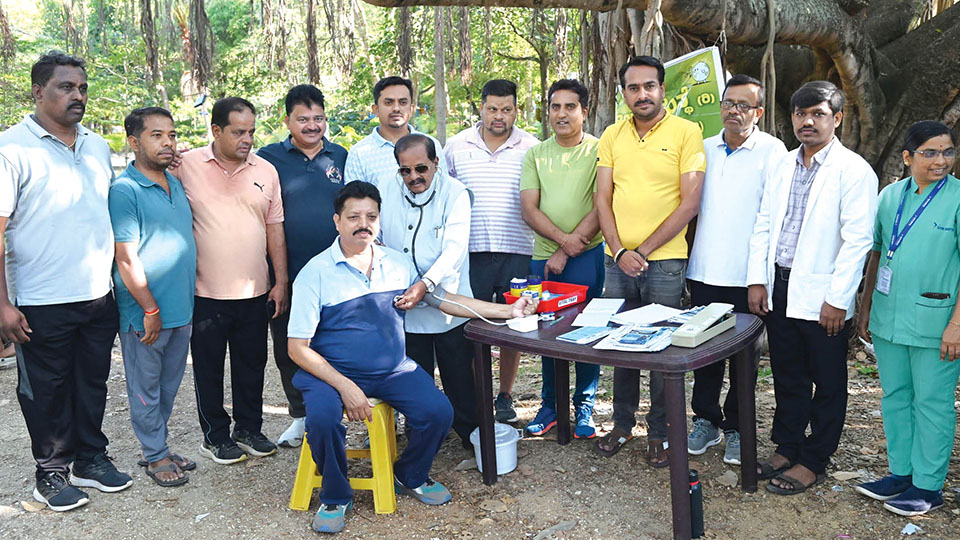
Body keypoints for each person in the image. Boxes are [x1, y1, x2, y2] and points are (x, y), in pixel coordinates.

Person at [287, 180, 535, 534]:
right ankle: (335, 494)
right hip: (330, 372)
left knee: (438, 412)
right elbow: (296, 348)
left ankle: (411, 473)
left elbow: (445, 300)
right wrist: (346, 388)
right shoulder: (315, 273)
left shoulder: (398, 264)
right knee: (323, 420)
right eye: (354, 216)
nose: (364, 223)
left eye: (371, 215)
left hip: (390, 369)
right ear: (337, 221)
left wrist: (508, 312)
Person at [0, 51, 131, 511]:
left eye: (81, 87)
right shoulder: (10, 148)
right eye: (65, 87)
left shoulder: (95, 146)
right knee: (47, 390)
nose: (77, 95)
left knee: (92, 382)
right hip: (38, 299)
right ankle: (50, 474)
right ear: (38, 91)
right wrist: (2, 304)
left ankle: (91, 460)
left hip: (96, 295)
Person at [746, 81, 877, 495]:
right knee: (787, 372)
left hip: (824, 296)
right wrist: (757, 279)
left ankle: (814, 459)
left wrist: (838, 301)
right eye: (801, 114)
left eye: (818, 113)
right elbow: (765, 223)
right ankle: (787, 446)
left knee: (828, 378)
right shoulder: (783, 164)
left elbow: (858, 241)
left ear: (837, 119)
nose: (807, 121)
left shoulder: (854, 170)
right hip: (780, 285)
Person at [593, 56, 706, 467]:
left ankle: (660, 432)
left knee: (661, 349)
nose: (642, 94)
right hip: (615, 260)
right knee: (620, 346)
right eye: (633, 88)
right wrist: (620, 251)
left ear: (663, 89)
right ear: (624, 93)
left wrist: (641, 252)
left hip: (665, 263)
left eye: (650, 86)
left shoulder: (686, 132)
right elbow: (602, 199)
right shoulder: (611, 134)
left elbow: (689, 202)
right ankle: (622, 424)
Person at [175, 97, 288, 464]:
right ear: (217, 131)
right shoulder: (186, 165)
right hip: (204, 291)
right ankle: (216, 436)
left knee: (252, 364)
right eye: (238, 131)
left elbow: (275, 230)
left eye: (251, 131)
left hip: (254, 289)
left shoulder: (266, 171)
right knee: (208, 367)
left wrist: (280, 280)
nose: (247, 139)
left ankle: (249, 428)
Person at [855, 121, 959, 516]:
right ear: (907, 157)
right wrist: (865, 309)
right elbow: (878, 253)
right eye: (930, 152)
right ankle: (901, 475)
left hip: (938, 324)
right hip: (888, 320)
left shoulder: (958, 198)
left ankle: (928, 487)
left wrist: (957, 326)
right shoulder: (890, 196)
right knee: (896, 398)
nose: (941, 160)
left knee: (932, 403)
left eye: (947, 151)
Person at [685, 75, 787, 465]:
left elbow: (771, 218)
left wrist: (759, 278)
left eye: (744, 105)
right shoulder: (703, 148)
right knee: (704, 352)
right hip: (705, 270)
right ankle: (706, 421)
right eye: (729, 103)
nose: (734, 111)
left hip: (749, 278)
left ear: (759, 112)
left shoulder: (774, 152)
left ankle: (737, 428)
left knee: (745, 358)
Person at [109, 107, 197, 487]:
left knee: (167, 386)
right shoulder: (124, 190)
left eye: (171, 135)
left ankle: (157, 445)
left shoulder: (173, 182)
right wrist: (150, 308)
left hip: (181, 308)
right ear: (133, 142)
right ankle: (155, 455)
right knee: (145, 388)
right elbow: (126, 257)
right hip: (146, 313)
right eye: (156, 135)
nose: (167, 142)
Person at [444, 79, 540, 424]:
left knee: (514, 323)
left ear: (516, 110)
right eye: (492, 109)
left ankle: (505, 396)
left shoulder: (532, 146)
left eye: (506, 109)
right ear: (481, 108)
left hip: (519, 250)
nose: (499, 116)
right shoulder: (455, 147)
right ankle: (476, 394)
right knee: (473, 326)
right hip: (472, 254)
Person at [258, 84, 348, 448]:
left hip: (338, 273)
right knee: (288, 344)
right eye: (303, 119)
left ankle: (332, 411)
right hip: (288, 272)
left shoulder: (341, 156)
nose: (312, 126)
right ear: (287, 121)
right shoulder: (267, 158)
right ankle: (300, 415)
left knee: (334, 341)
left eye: (319, 118)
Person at [378, 134, 477, 448]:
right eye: (405, 171)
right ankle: (422, 437)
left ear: (436, 163)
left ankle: (471, 437)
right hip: (404, 305)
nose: (413, 177)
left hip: (448, 304)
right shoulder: (385, 188)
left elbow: (454, 250)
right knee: (415, 377)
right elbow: (376, 233)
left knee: (459, 377)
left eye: (421, 168)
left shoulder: (456, 193)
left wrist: (425, 284)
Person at [519, 79, 604, 439]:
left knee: (585, 333)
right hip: (543, 260)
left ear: (584, 111)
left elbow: (603, 205)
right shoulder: (536, 154)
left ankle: (585, 407)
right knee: (548, 334)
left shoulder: (601, 151)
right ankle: (550, 407)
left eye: (570, 107)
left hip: (587, 258)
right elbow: (529, 208)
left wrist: (569, 248)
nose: (561, 114)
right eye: (555, 107)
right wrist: (559, 243)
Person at [344, 76, 446, 186]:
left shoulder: (431, 144)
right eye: (388, 103)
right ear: (376, 109)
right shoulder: (359, 153)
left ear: (411, 109)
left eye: (403, 102)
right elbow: (354, 200)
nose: (396, 108)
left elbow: (444, 188)